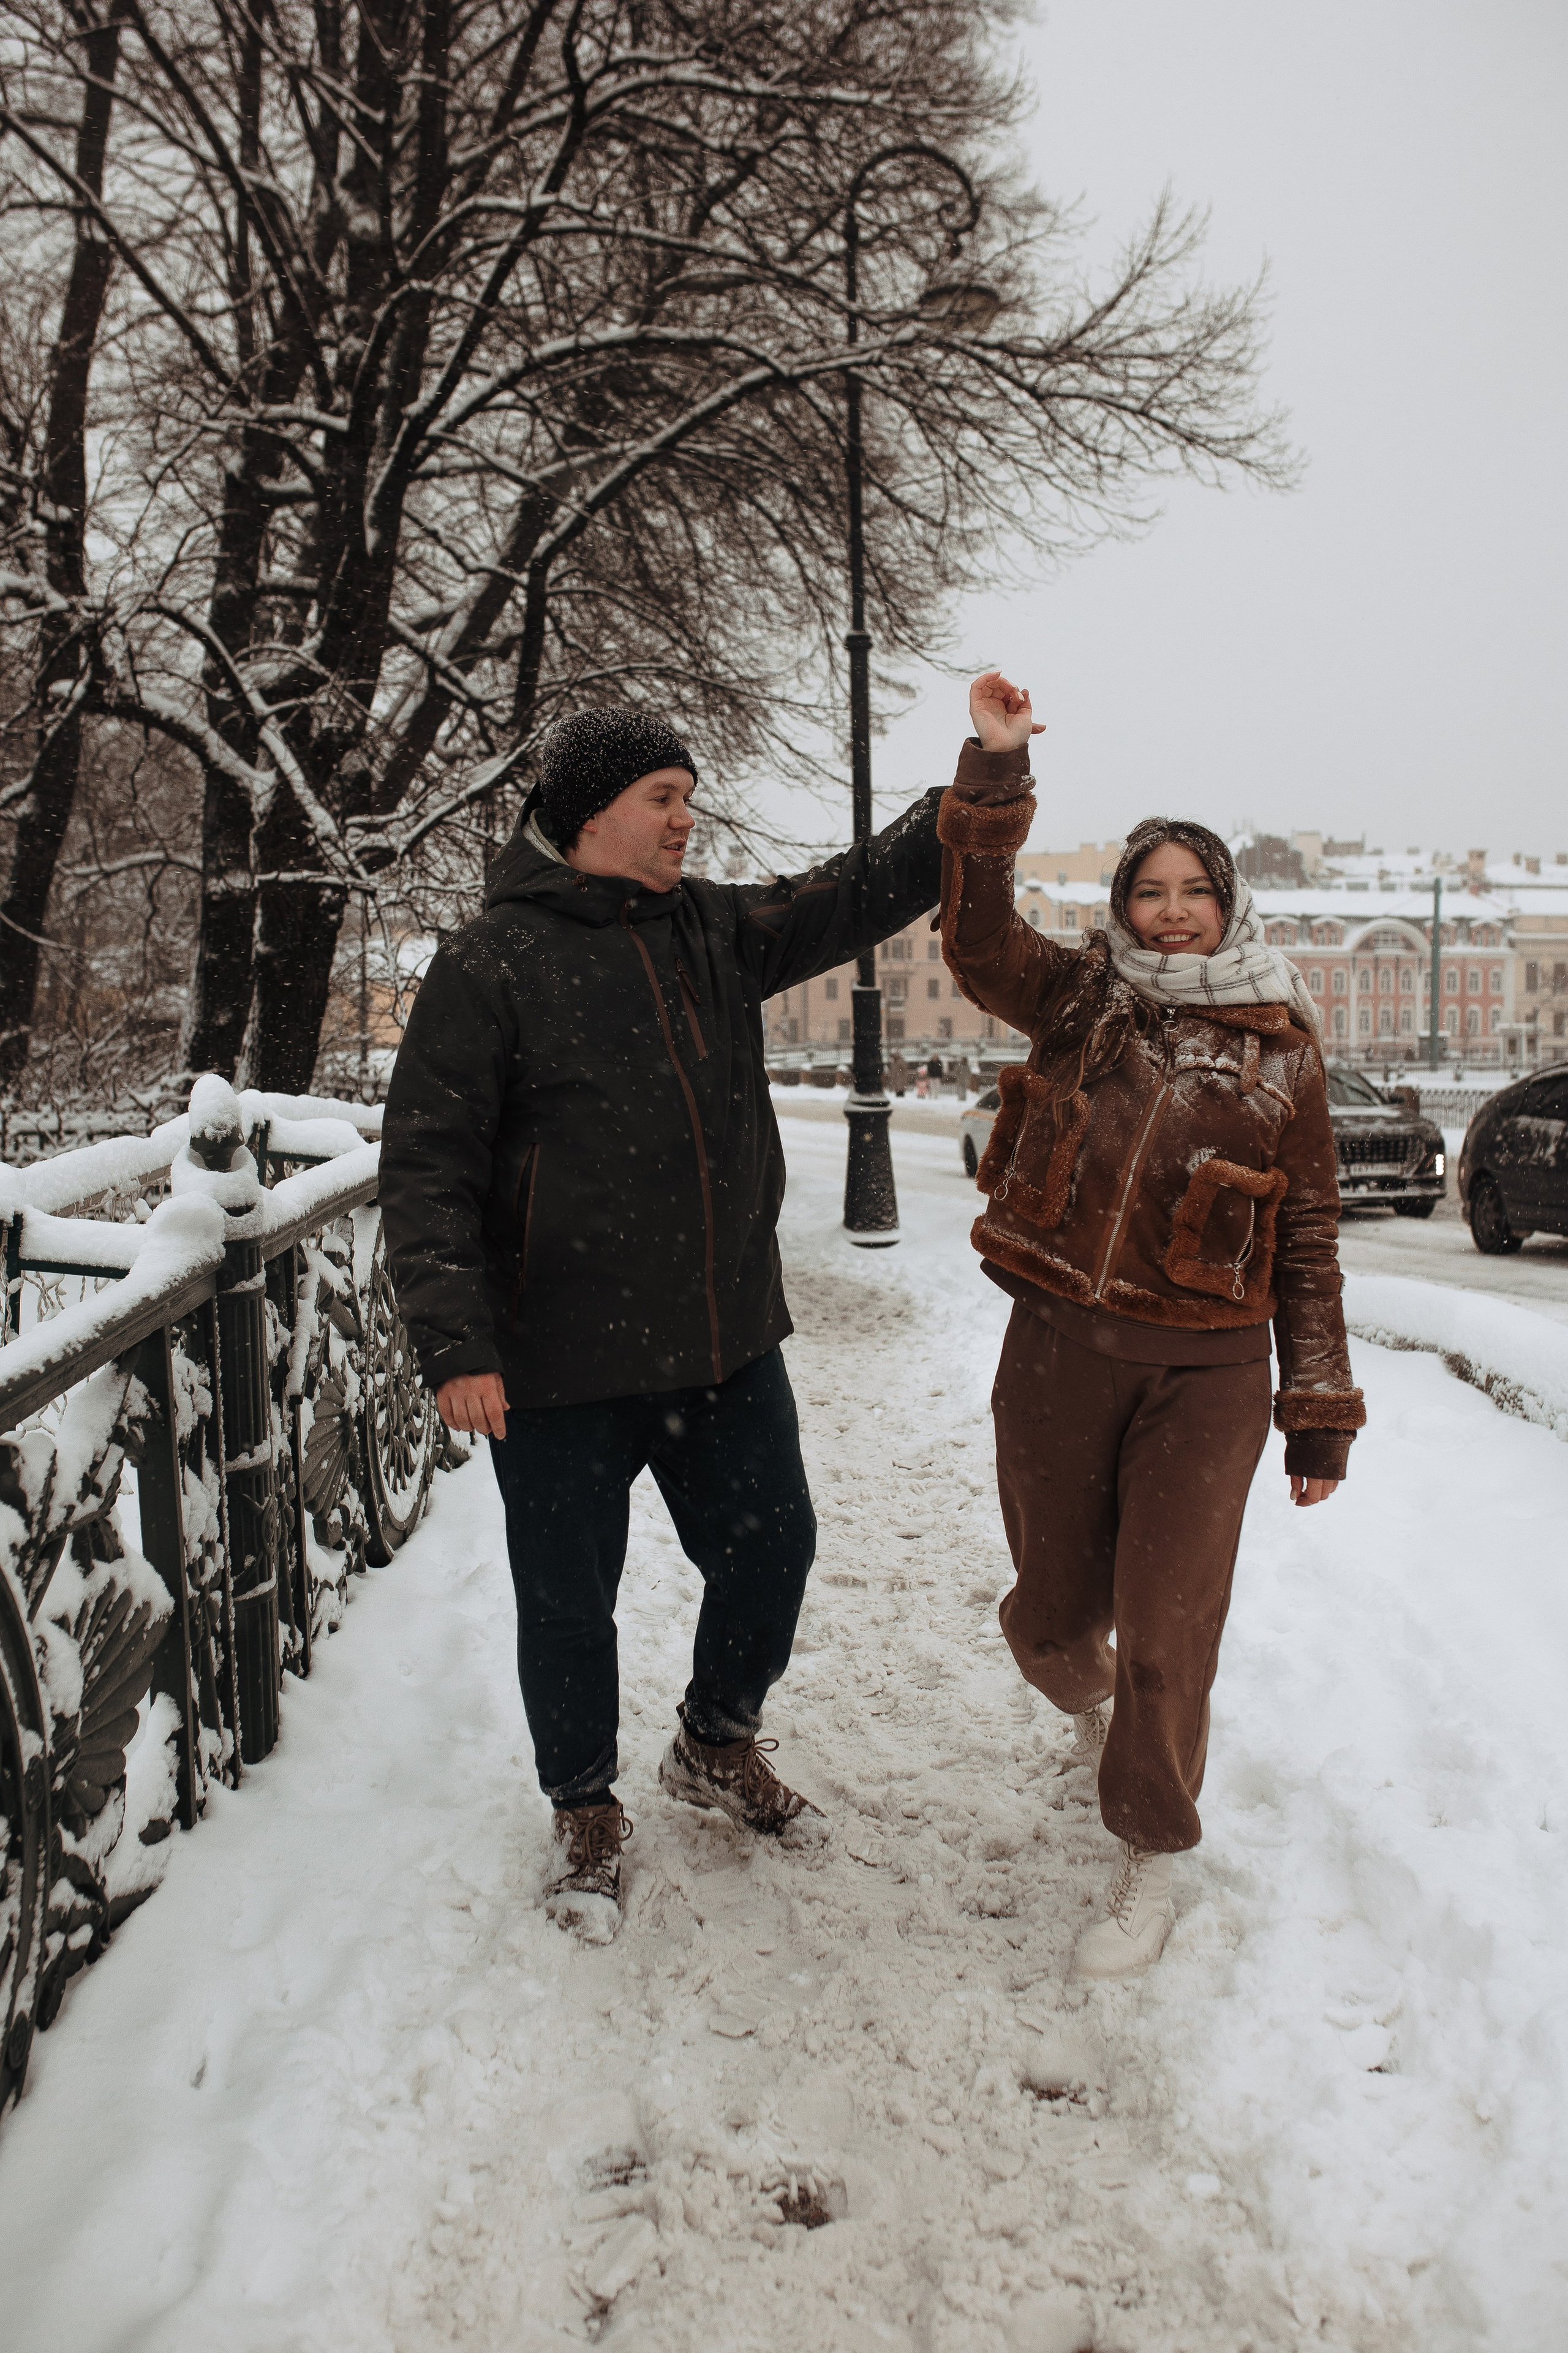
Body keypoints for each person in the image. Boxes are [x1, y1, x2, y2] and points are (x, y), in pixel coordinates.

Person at [379, 709, 942, 1939]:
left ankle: (713, 1735)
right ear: (589, 817)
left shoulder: (712, 929)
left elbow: (855, 892)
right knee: (570, 1601)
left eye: (688, 795)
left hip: (719, 1337)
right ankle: (584, 1804)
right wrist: (455, 1343)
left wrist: (982, 786)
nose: (686, 817)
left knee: (773, 1546)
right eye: (661, 796)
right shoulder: (490, 962)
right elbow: (427, 1164)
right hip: (557, 1359)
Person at [940, 671, 1362, 1979]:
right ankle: (1095, 1701)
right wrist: (994, 768)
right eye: (1148, 890)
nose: (1169, 912)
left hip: (1208, 1376)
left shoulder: (1285, 1058)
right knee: (1051, 1622)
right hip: (1061, 1351)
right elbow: (971, 936)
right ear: (1122, 905)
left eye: (1192, 891)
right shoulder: (1078, 1001)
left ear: (1226, 906)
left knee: (1168, 1623)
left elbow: (1305, 1243)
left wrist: (1317, 1410)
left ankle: (1146, 1854)